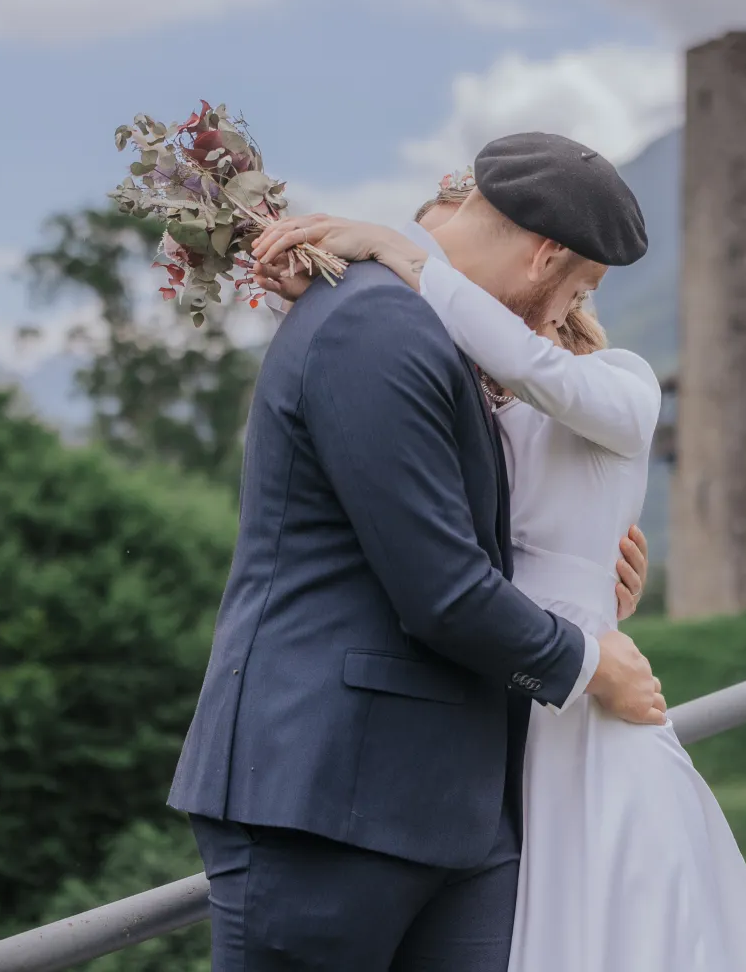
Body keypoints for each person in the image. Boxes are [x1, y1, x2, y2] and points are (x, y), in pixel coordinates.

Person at [253, 164, 746, 972]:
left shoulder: (623, 385)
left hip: (581, 713)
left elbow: (531, 370)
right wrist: (332, 280)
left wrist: (392, 250)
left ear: (548, 270)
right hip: (502, 724)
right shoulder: (478, 407)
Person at [167, 132, 668, 971]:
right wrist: (589, 662)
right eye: (574, 288)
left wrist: (589, 577)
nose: (561, 318)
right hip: (326, 792)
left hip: (452, 802)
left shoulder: (425, 324)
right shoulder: (375, 324)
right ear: (544, 256)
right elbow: (440, 586)